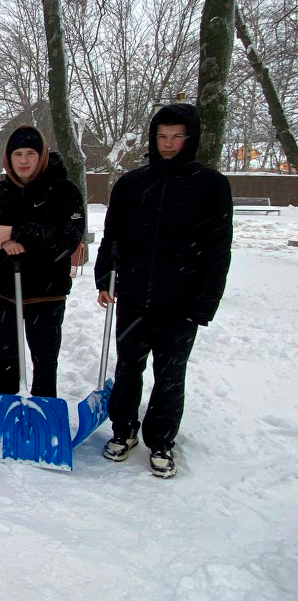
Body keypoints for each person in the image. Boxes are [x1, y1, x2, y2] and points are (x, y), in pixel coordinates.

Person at [95, 103, 232, 478]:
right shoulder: (132, 184)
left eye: (176, 137)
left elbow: (218, 249)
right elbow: (113, 237)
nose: (168, 144)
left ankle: (162, 440)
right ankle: (123, 431)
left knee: (170, 375)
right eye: (162, 137)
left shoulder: (210, 186)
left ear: (190, 139)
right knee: (127, 369)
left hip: (181, 301)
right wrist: (105, 276)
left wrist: (204, 303)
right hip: (135, 295)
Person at [0, 126, 85, 398]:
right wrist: (0, 241)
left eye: (30, 153)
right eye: (17, 154)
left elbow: (66, 240)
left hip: (47, 294)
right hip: (4, 292)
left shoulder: (64, 192)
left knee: (45, 360)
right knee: (7, 358)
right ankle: (8, 409)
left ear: (41, 155)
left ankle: (42, 411)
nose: (23, 160)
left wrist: (17, 231)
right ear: (8, 158)